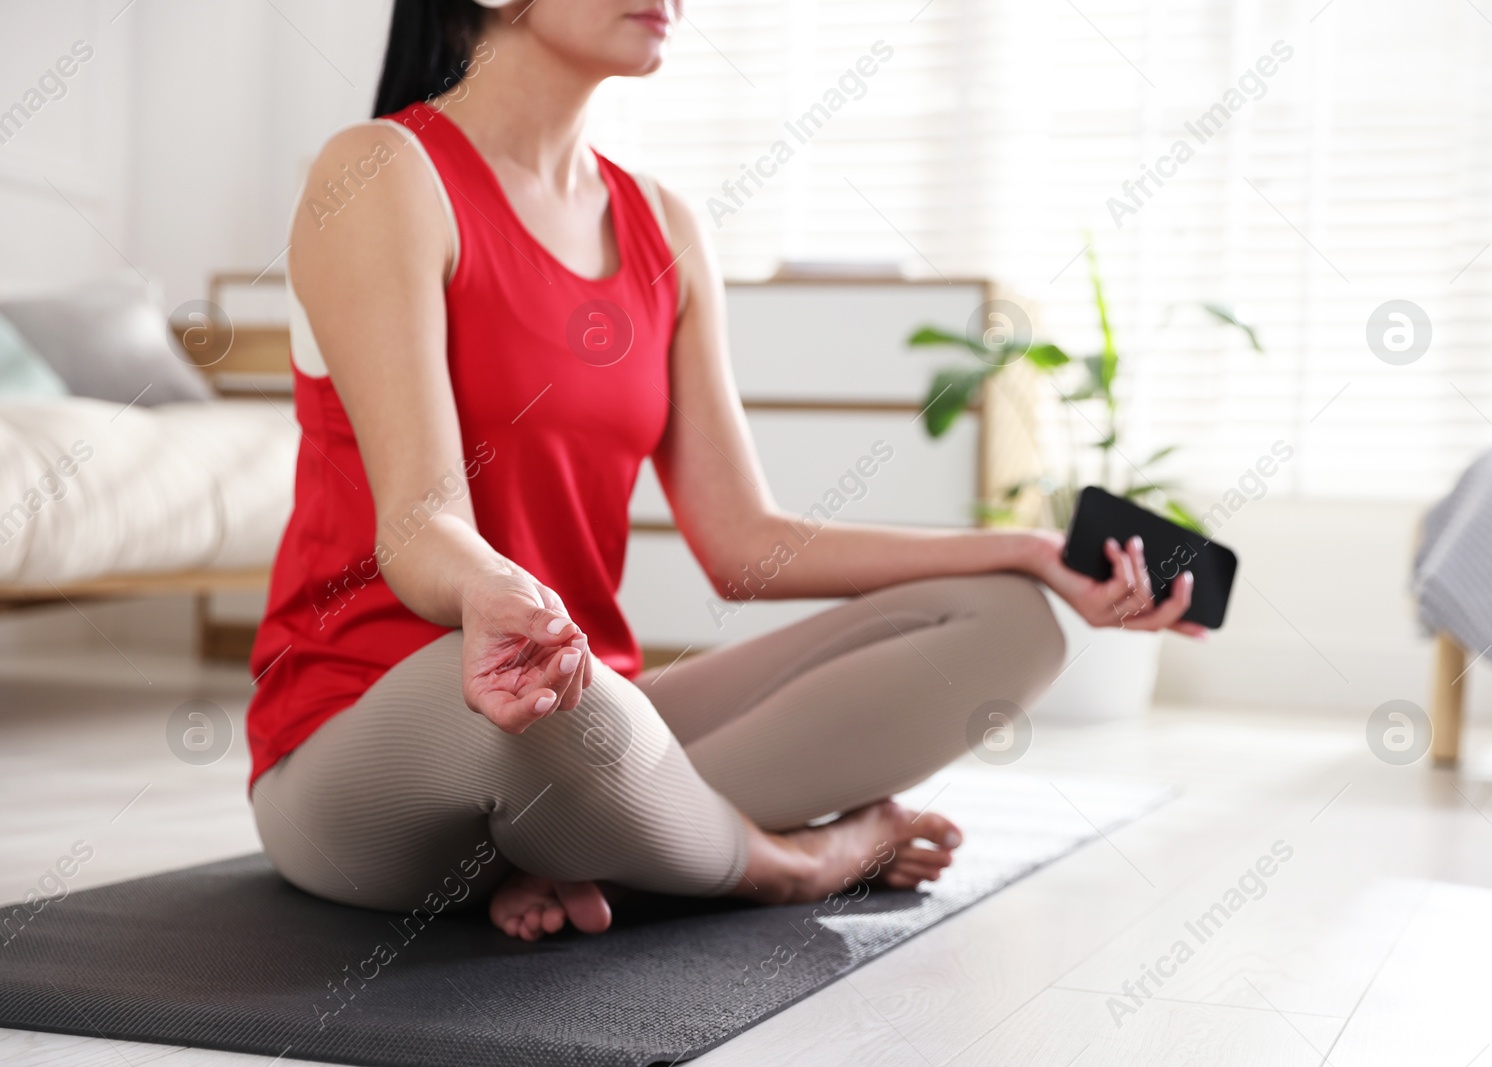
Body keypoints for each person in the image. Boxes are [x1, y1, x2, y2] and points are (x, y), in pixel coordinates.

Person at [246, 0, 1202, 942]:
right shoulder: (379, 175)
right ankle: (787, 863)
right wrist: (501, 592)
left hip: (591, 710)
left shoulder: (663, 226)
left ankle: (596, 846)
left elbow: (749, 543)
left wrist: (1025, 550)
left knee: (1010, 620)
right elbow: (420, 529)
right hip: (369, 735)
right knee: (549, 715)